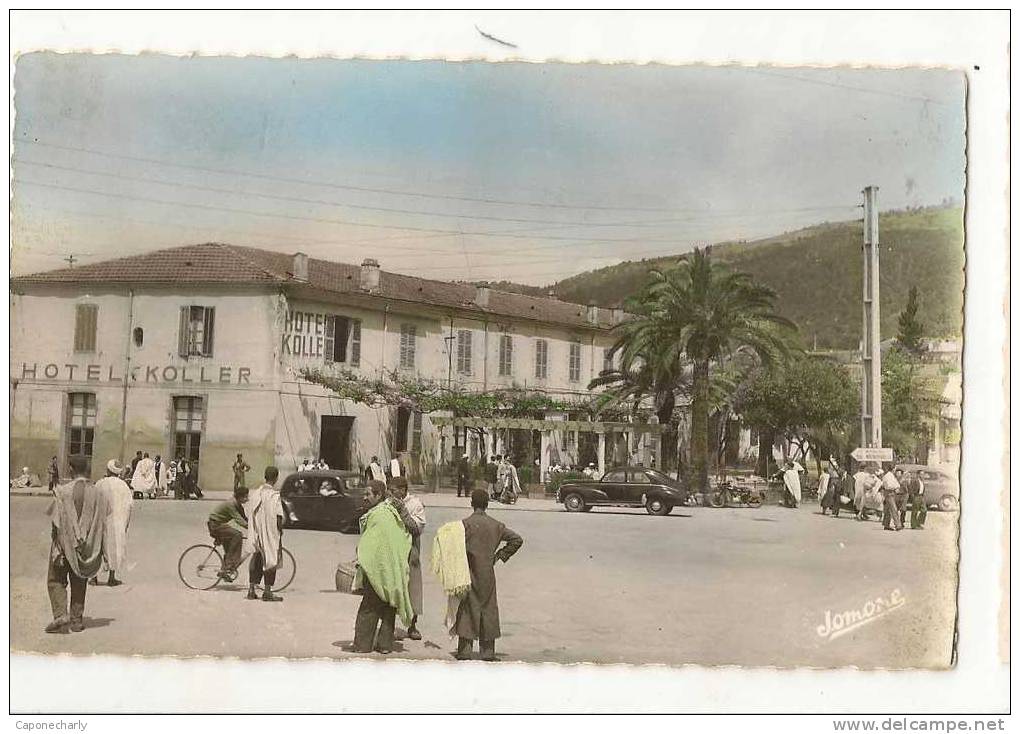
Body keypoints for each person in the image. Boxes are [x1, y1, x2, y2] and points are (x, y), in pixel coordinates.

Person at [455, 489, 524, 661]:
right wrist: (500, 555)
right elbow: (517, 539)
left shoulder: (464, 524)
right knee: (488, 608)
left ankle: (465, 650)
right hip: (487, 573)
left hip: (468, 571)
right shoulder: (496, 525)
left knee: (467, 608)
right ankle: (488, 652)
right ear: (487, 504)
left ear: (472, 503)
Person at [45, 455, 109, 633]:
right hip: (87, 546)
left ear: (71, 469)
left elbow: (55, 520)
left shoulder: (63, 491)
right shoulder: (98, 493)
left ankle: (60, 615)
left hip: (64, 544)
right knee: (79, 579)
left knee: (56, 579)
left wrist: (57, 543)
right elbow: (103, 519)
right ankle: (76, 620)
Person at [352, 481, 413, 654]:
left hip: (377, 570)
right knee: (388, 607)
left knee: (368, 608)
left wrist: (362, 556)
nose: (364, 497)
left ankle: (362, 645)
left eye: (368, 494)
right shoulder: (390, 513)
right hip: (391, 569)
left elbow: (370, 544)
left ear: (378, 495)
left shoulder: (379, 515)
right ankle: (385, 646)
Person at [389, 477, 426, 641]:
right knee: (393, 587)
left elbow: (416, 528)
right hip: (393, 549)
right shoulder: (388, 503)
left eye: (394, 490)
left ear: (403, 490)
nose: (391, 493)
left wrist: (402, 511)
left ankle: (412, 626)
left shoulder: (415, 504)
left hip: (410, 550)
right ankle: (388, 625)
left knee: (413, 588)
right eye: (390, 490)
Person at [247, 466, 285, 602]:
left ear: (265, 476)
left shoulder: (256, 493)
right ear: (275, 478)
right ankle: (267, 592)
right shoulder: (275, 496)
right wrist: (280, 531)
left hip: (257, 531)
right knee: (271, 560)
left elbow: (251, 512)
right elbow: (279, 517)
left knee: (256, 558)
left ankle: (251, 589)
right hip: (270, 532)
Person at [94, 459, 133, 587]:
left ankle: (93, 576)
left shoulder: (100, 484)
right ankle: (111, 577)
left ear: (108, 470)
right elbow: (129, 506)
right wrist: (125, 523)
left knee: (97, 547)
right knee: (114, 547)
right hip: (117, 521)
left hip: (100, 520)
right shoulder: (124, 486)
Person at [207, 487, 249, 581]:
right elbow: (239, 520)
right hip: (215, 525)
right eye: (245, 497)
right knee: (237, 535)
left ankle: (225, 570)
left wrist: (254, 525)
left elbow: (244, 518)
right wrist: (250, 527)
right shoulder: (231, 504)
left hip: (219, 524)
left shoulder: (237, 504)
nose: (247, 499)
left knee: (230, 546)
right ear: (240, 497)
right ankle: (230, 565)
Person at [879, 465, 904, 531]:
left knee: (888, 510)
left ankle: (886, 524)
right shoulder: (889, 476)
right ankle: (898, 525)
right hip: (890, 493)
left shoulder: (890, 475)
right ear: (893, 469)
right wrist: (896, 487)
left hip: (890, 493)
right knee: (894, 509)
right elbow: (890, 485)